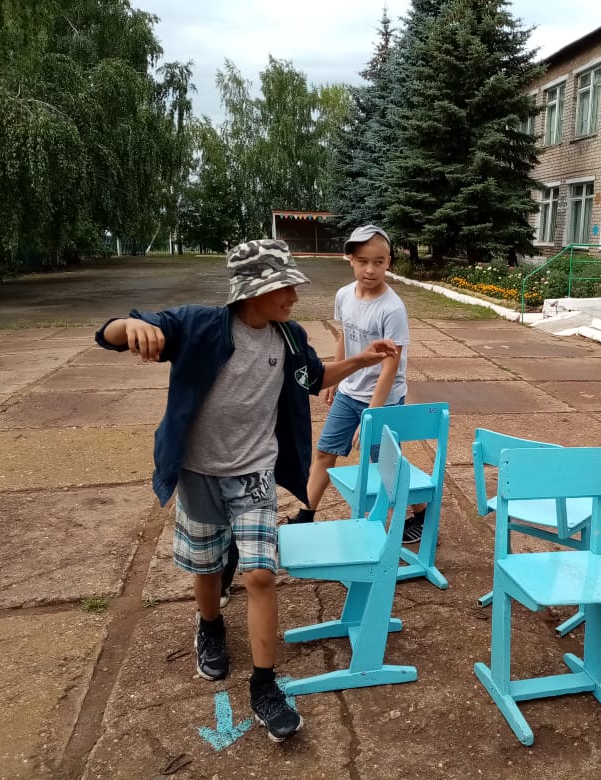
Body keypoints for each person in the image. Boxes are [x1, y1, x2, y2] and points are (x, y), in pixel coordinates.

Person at [94, 240, 397, 742]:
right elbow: (110, 334)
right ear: (254, 291)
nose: (294, 296)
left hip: (254, 472)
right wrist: (130, 326)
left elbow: (313, 376)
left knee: (259, 573)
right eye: (285, 287)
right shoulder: (198, 326)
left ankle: (264, 683)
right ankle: (211, 625)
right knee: (208, 566)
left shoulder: (290, 337)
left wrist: (362, 360)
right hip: (198, 472)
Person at [289, 224, 426, 543]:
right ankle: (306, 514)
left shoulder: (392, 308)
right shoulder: (343, 296)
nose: (370, 269)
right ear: (350, 259)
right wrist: (334, 378)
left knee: (385, 464)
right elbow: (345, 336)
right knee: (325, 451)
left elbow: (390, 367)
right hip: (349, 394)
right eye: (363, 261)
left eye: (379, 262)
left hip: (384, 400)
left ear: (388, 261)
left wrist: (371, 417)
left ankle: (421, 511)